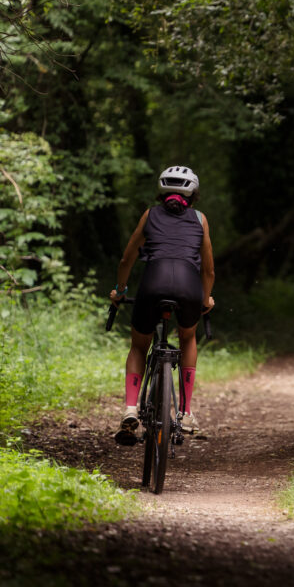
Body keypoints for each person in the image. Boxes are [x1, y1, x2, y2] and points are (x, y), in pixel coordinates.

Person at [109, 165, 216, 445]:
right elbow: (208, 271)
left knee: (138, 345)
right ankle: (186, 412)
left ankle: (131, 408)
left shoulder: (150, 214)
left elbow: (126, 260)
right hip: (188, 287)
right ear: (193, 194)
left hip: (152, 285)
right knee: (188, 337)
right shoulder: (200, 219)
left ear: (161, 191)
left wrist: (120, 291)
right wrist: (206, 299)